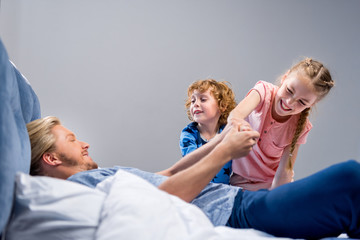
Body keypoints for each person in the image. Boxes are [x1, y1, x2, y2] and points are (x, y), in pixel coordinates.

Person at [27, 116, 360, 239]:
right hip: (237, 212)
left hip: (238, 203)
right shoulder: (79, 188)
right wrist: (225, 152)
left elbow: (170, 174)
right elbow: (164, 198)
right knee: (350, 181)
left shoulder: (104, 177)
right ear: (51, 157)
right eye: (71, 139)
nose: (84, 142)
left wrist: (218, 139)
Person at [228, 57, 335, 191]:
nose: (289, 102)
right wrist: (243, 128)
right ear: (285, 77)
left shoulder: (300, 126)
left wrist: (274, 198)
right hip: (239, 181)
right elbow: (235, 116)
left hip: (271, 185)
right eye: (289, 91)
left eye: (302, 102)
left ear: (312, 104)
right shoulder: (263, 91)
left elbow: (285, 171)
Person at [180, 79, 237, 184]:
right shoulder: (189, 133)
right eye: (193, 101)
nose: (195, 104)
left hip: (223, 191)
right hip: (196, 191)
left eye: (203, 99)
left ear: (222, 106)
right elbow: (193, 163)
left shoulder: (228, 132)